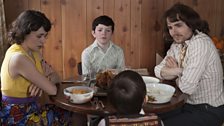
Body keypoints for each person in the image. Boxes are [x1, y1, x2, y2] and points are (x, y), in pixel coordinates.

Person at [154, 3, 224, 126]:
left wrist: (174, 72)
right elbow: (158, 70)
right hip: (187, 105)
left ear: (191, 24)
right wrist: (179, 71)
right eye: (170, 27)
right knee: (151, 118)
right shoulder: (177, 45)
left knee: (159, 124)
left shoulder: (200, 43)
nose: (173, 32)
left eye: (178, 25)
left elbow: (187, 87)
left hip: (208, 110)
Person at [0, 10, 72, 125]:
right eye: (39, 36)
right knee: (74, 115)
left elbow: (57, 78)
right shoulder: (19, 58)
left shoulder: (34, 52)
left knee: (71, 112)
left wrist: (42, 80)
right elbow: (52, 90)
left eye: (45, 36)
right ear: (24, 32)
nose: (43, 41)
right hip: (17, 116)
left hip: (32, 109)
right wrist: (44, 80)